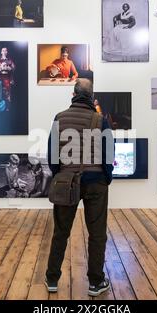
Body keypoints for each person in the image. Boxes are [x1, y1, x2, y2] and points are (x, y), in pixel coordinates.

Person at [45, 79, 114, 297]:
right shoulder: (100, 119)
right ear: (92, 98)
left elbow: (52, 155)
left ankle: (52, 279)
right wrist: (106, 178)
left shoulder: (59, 118)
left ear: (73, 95)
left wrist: (62, 175)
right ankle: (95, 283)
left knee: (61, 232)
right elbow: (109, 155)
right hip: (96, 183)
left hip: (67, 182)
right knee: (97, 234)